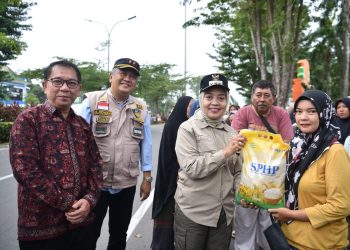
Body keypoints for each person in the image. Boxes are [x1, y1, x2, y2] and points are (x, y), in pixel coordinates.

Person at [9, 60, 103, 250]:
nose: (65, 88)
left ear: (78, 89)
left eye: (71, 83)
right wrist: (67, 202)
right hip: (41, 229)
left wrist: (89, 200)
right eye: (58, 81)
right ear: (45, 86)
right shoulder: (28, 120)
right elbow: (25, 170)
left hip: (82, 225)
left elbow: (96, 166)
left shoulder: (82, 125)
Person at [78, 57, 153, 250]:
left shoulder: (141, 108)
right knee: (88, 235)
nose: (128, 79)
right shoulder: (92, 102)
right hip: (95, 184)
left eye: (133, 76)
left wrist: (147, 178)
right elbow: (78, 143)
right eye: (123, 73)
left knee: (119, 235)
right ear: (111, 76)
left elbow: (146, 144)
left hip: (126, 183)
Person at [269, 90, 350, 249]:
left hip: (321, 244)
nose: (303, 117)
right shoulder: (296, 149)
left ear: (325, 113)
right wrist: (256, 200)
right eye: (299, 111)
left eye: (312, 111)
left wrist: (291, 215)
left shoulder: (334, 152)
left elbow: (341, 206)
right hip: (288, 238)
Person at [174, 73, 244, 250]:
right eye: (209, 97)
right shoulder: (187, 129)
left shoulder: (232, 133)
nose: (215, 102)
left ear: (227, 101)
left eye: (221, 98)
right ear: (201, 98)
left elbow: (237, 171)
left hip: (224, 213)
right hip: (194, 212)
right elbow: (191, 168)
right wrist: (226, 153)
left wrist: (243, 194)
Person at [231, 80, 294, 250]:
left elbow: (287, 143)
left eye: (267, 95)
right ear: (252, 97)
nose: (262, 99)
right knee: (245, 224)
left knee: (268, 225)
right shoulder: (243, 113)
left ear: (274, 98)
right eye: (258, 95)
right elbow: (234, 141)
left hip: (272, 180)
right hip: (247, 179)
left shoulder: (281, 115)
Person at [151, 96, 193, 250]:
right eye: (189, 106)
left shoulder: (186, 125)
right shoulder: (175, 126)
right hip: (170, 179)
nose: (191, 109)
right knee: (168, 217)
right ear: (182, 107)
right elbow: (170, 156)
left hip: (179, 176)